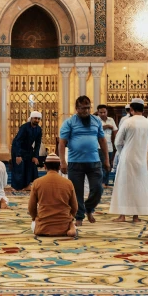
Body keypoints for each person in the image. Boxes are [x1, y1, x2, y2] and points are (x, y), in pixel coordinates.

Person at [59, 95, 109, 227]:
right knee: (77, 191)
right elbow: (62, 143)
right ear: (76, 109)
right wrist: (63, 161)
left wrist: (107, 160)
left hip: (94, 161)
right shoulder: (69, 122)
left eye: (88, 108)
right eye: (83, 108)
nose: (86, 111)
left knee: (98, 188)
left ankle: (88, 208)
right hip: (75, 162)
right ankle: (79, 216)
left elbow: (102, 140)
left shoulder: (96, 121)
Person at [109, 102, 148, 223]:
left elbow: (118, 141)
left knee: (124, 185)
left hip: (128, 158)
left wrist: (122, 152)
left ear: (131, 110)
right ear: (143, 110)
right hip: (144, 158)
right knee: (140, 186)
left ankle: (122, 215)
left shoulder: (128, 122)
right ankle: (136, 217)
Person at [28, 153, 78, 237]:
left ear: (45, 167)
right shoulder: (68, 183)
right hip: (63, 227)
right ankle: (71, 226)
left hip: (42, 228)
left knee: (33, 225)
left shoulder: (37, 183)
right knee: (70, 222)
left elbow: (31, 207)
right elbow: (75, 207)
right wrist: (69, 218)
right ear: (59, 167)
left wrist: (34, 218)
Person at [11, 111, 43, 191]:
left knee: (31, 165)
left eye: (38, 119)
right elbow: (18, 141)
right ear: (31, 118)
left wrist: (35, 156)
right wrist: (18, 155)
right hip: (18, 148)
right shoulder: (24, 127)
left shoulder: (39, 129)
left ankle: (27, 185)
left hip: (28, 149)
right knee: (19, 167)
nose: (37, 120)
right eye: (35, 118)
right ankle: (17, 187)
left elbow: (38, 143)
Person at [96, 105, 117, 186]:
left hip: (110, 146)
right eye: (101, 112)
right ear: (98, 113)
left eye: (104, 112)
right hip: (99, 146)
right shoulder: (96, 120)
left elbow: (115, 130)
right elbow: (97, 129)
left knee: (109, 165)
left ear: (107, 112)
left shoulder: (111, 119)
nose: (103, 114)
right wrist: (107, 126)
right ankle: (102, 182)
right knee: (101, 165)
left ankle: (106, 182)